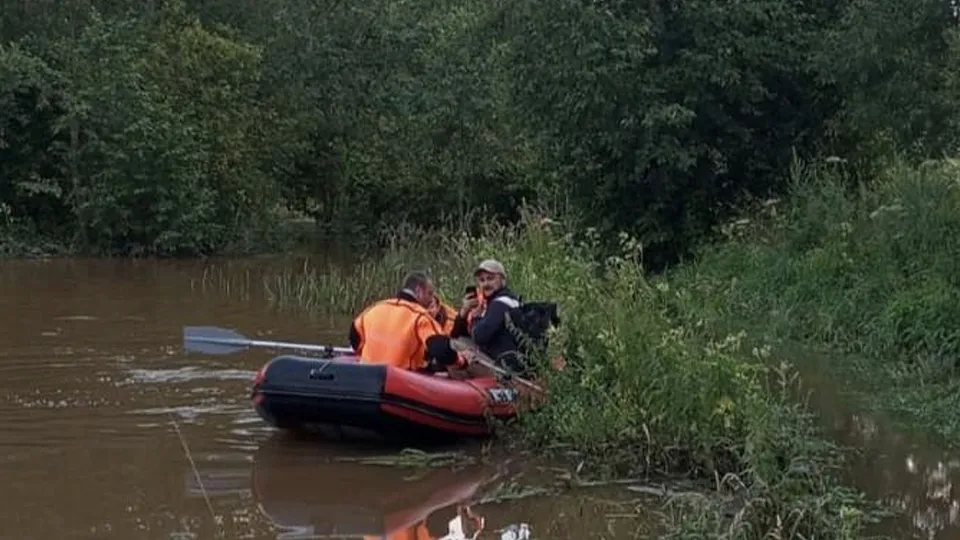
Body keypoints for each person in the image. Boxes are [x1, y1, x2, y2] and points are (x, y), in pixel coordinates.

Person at [350, 271, 460, 372]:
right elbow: (441, 349)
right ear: (419, 291)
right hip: (401, 379)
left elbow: (354, 338)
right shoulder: (421, 317)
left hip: (366, 375)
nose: (431, 299)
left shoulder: (374, 308)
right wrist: (461, 361)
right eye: (429, 294)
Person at [451, 259, 524, 369]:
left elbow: (480, 336)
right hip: (497, 357)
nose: (486, 284)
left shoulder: (503, 302)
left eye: (490, 279)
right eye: (482, 280)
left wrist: (476, 316)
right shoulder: (489, 303)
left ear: (502, 280)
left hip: (508, 368)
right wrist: (464, 311)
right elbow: (456, 333)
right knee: (458, 340)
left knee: (454, 346)